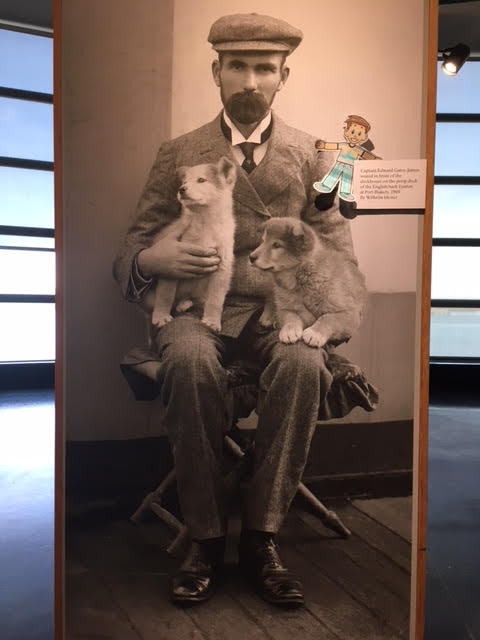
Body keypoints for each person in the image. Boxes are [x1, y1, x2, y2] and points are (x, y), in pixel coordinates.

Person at [114, 12, 358, 607]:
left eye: (265, 69)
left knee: (303, 368)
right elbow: (128, 251)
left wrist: (325, 313)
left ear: (284, 76)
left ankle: (262, 535)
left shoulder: (317, 157)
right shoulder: (181, 153)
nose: (251, 81)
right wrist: (154, 259)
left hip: (284, 312)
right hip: (201, 310)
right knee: (190, 364)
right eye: (239, 67)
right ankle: (203, 535)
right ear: (216, 71)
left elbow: (338, 254)